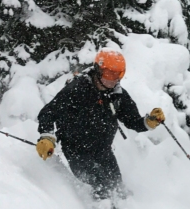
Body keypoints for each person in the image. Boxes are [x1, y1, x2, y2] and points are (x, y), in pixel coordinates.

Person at [36, 49, 165, 200]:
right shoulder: (78, 89)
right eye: (109, 74)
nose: (113, 80)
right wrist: (47, 136)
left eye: (117, 75)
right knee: (100, 185)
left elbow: (133, 121)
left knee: (118, 188)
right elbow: (48, 112)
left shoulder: (117, 95)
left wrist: (149, 122)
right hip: (77, 150)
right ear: (98, 70)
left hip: (103, 151)